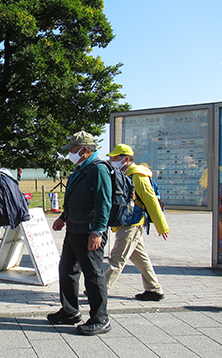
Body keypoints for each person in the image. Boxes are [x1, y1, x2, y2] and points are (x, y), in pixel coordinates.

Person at [48, 131, 112, 335]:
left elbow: (104, 203)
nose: (70, 154)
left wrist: (98, 231)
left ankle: (100, 318)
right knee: (66, 271)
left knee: (93, 275)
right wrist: (63, 218)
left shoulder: (98, 170)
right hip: (74, 230)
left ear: (85, 149)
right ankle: (70, 311)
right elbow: (75, 199)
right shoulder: (80, 169)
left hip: (89, 232)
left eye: (73, 150)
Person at [105, 144, 170, 301]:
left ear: (126, 159)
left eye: (115, 157)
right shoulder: (124, 173)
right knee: (140, 258)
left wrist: (162, 227)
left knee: (117, 258)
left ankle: (101, 289)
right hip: (127, 222)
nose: (111, 160)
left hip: (132, 223)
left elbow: (151, 200)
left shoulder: (138, 175)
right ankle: (154, 289)